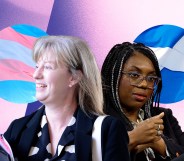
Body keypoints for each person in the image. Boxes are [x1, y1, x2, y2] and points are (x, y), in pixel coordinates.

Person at [3, 36, 130, 161]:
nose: (36, 75)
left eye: (47, 67)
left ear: (74, 77)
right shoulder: (17, 129)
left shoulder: (107, 130)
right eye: (37, 67)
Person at [101, 42, 184, 161]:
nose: (144, 84)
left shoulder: (164, 117)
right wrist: (132, 139)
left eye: (151, 78)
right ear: (114, 76)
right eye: (134, 75)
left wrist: (160, 144)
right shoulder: (98, 120)